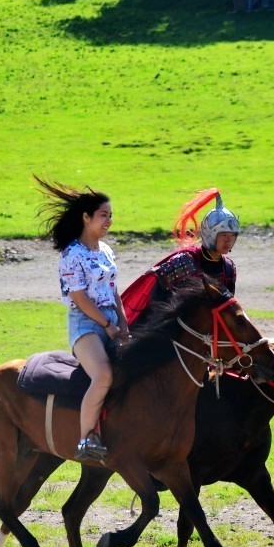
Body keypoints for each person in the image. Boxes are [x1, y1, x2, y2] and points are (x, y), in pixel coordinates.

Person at [36, 175, 128, 462]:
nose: (108, 221)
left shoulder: (107, 251)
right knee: (103, 374)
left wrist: (123, 326)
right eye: (103, 216)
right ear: (86, 217)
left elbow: (113, 291)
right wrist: (107, 325)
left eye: (111, 216)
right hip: (86, 325)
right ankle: (87, 439)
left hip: (111, 321)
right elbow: (80, 299)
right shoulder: (71, 254)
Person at [120, 188, 240, 327]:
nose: (228, 240)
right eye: (223, 235)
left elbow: (226, 308)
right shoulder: (184, 262)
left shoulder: (229, 269)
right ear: (209, 234)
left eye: (232, 236)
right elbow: (157, 299)